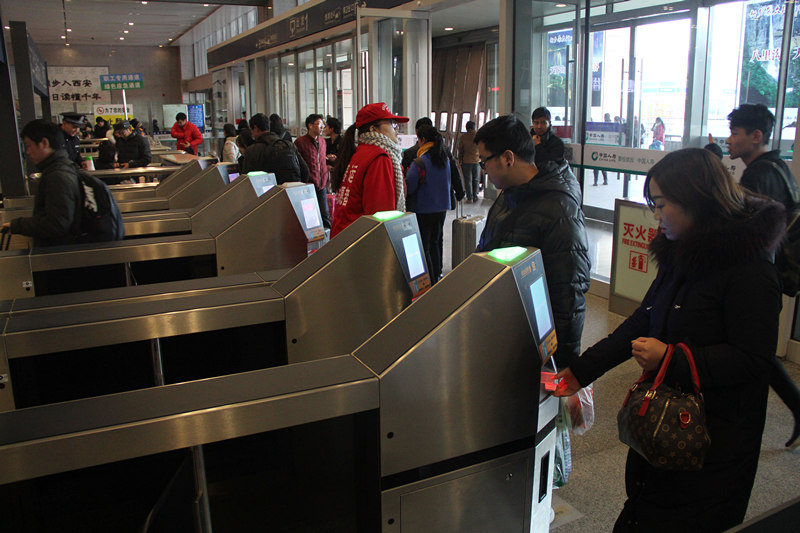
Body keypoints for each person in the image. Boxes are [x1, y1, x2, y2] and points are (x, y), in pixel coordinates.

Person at [554, 148, 786, 532]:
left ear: (697, 199)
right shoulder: (682, 251)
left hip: (713, 445)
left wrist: (672, 358)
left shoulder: (750, 268)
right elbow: (642, 321)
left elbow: (753, 359)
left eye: (662, 205)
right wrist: (580, 372)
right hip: (663, 428)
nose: (656, 216)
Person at [474, 114, 590, 369]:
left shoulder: (559, 210)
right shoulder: (508, 196)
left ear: (507, 158)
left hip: (534, 351)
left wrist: (561, 367)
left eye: (485, 161)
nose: (483, 169)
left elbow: (568, 297)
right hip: (504, 337)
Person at [726, 103, 800, 447]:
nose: (729, 140)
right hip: (770, 274)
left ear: (756, 137)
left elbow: (752, 233)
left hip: (759, 277)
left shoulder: (759, 174)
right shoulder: (779, 168)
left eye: (735, 134)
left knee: (756, 352)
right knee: (760, 351)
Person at [331, 102, 409, 238]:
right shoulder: (379, 158)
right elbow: (381, 215)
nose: (396, 129)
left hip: (344, 239)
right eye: (392, 123)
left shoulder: (360, 152)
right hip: (360, 244)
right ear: (373, 129)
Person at [1, 120, 81, 246]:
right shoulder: (62, 167)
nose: (27, 152)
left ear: (44, 143)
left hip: (59, 254)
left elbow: (57, 224)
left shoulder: (57, 175)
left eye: (29, 145)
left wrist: (18, 225)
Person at [406, 125, 451, 283]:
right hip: (442, 208)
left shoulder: (420, 162)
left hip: (424, 209)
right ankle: (437, 274)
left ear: (423, 140)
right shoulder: (444, 158)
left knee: (424, 246)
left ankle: (430, 281)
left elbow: (410, 186)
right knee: (435, 242)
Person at [241, 113, 308, 183]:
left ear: (255, 128)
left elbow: (246, 179)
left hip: (268, 192)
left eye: (252, 130)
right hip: (290, 190)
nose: (252, 134)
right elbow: (305, 171)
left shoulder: (252, 150)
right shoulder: (289, 145)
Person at [295, 114, 331, 229]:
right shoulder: (300, 142)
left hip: (321, 185)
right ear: (310, 126)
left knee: (325, 216)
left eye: (323, 125)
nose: (322, 127)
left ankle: (328, 241)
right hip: (308, 187)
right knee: (310, 218)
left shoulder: (322, 142)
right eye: (320, 124)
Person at [458, 120, 481, 203]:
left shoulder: (463, 137)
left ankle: (470, 197)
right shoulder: (478, 136)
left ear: (466, 128)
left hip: (466, 161)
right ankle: (475, 196)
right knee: (476, 179)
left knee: (468, 180)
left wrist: (460, 160)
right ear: (474, 127)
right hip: (477, 160)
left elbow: (460, 150)